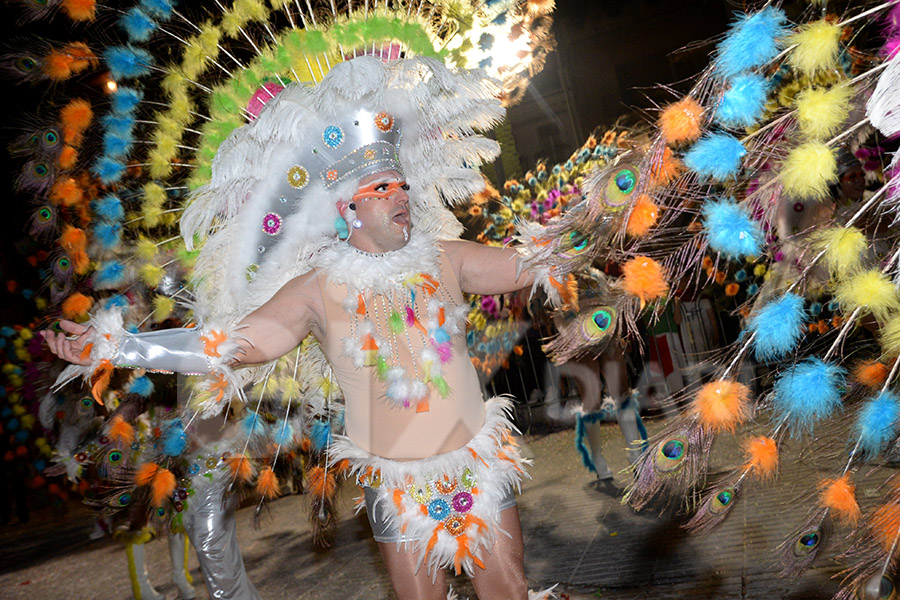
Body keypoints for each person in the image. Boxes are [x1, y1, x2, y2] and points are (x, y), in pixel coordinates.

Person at [43, 57, 557, 600]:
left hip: (476, 469)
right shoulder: (315, 290)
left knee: (509, 591)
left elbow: (530, 264)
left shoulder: (446, 259)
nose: (404, 195)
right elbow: (222, 347)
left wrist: (596, 217)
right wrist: (118, 346)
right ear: (348, 208)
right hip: (396, 488)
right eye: (385, 187)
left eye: (403, 184)